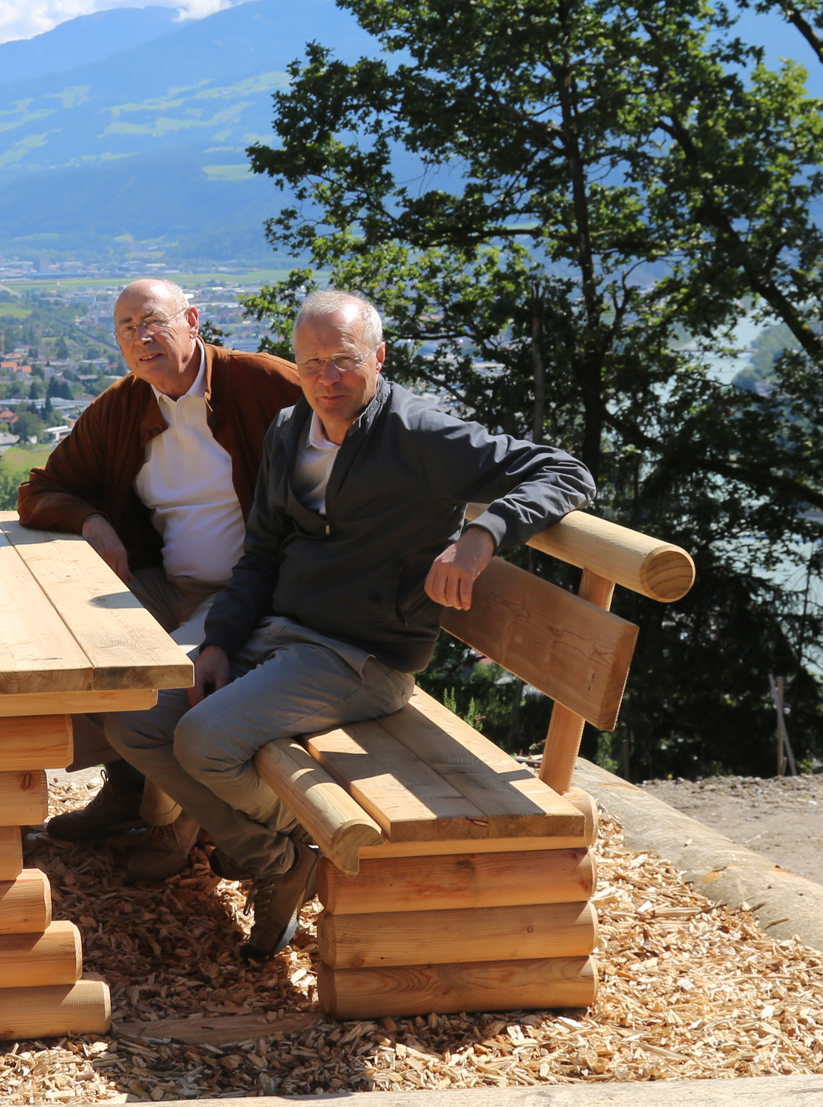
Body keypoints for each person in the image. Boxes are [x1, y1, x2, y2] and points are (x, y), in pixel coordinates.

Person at [108, 291, 593, 961]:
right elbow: (262, 554)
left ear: (378, 357)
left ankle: (282, 855)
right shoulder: (288, 431)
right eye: (311, 363)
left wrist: (483, 534)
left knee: (204, 739)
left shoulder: (418, 435)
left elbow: (563, 471)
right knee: (137, 713)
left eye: (344, 361)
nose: (327, 379)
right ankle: (278, 850)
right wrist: (219, 639)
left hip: (362, 656)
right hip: (278, 633)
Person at [16, 278, 304, 882]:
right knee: (67, 645)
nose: (141, 338)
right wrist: (92, 520)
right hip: (169, 584)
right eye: (126, 329)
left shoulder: (263, 383)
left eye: (152, 321)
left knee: (156, 690)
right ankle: (125, 792)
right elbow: (41, 490)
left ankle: (176, 825)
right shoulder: (125, 406)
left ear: (192, 320)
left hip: (249, 596)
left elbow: (353, 430)